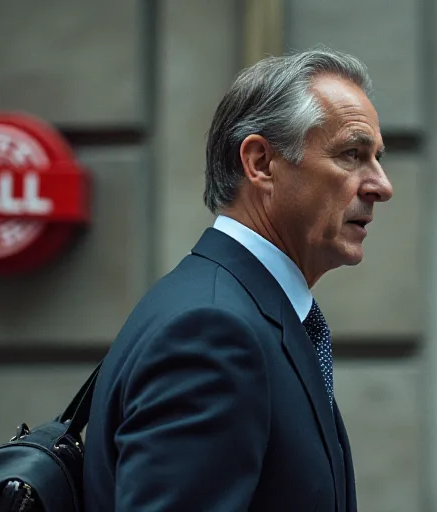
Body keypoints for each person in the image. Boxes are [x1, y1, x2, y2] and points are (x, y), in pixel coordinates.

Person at [82, 47, 392, 511]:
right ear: (261, 163)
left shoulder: (236, 311)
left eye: (377, 158)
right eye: (352, 154)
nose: (381, 186)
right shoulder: (211, 331)